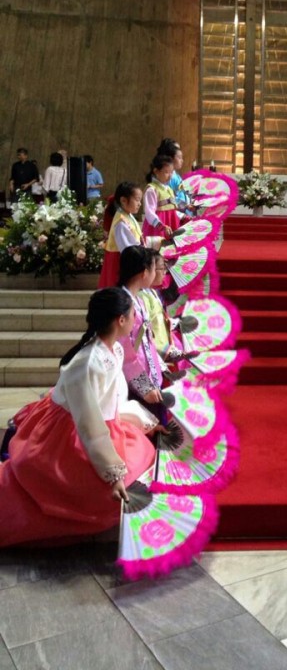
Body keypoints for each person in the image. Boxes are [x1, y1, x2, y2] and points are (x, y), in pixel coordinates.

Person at [0, 288, 157, 547]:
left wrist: (143, 419)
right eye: (132, 315)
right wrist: (113, 474)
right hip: (69, 435)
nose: (134, 319)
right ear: (120, 320)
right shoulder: (87, 363)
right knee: (101, 492)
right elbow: (90, 425)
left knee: (142, 457)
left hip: (97, 427)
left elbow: (109, 404)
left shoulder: (114, 350)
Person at [118, 245, 169, 423]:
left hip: (149, 375)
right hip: (134, 383)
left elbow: (148, 341)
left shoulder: (138, 300)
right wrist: (144, 387)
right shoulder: (123, 305)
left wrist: (161, 366)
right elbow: (124, 350)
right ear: (144, 273)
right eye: (154, 269)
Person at [98, 182, 146, 288]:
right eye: (137, 200)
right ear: (123, 200)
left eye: (140, 200)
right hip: (120, 264)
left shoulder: (128, 215)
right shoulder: (121, 222)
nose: (140, 204)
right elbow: (128, 249)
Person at [143, 154, 178, 240]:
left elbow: (173, 210)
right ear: (156, 171)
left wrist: (184, 217)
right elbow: (149, 212)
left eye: (171, 172)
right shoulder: (152, 190)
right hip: (157, 229)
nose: (170, 176)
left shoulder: (169, 189)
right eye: (166, 172)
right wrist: (160, 226)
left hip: (170, 226)